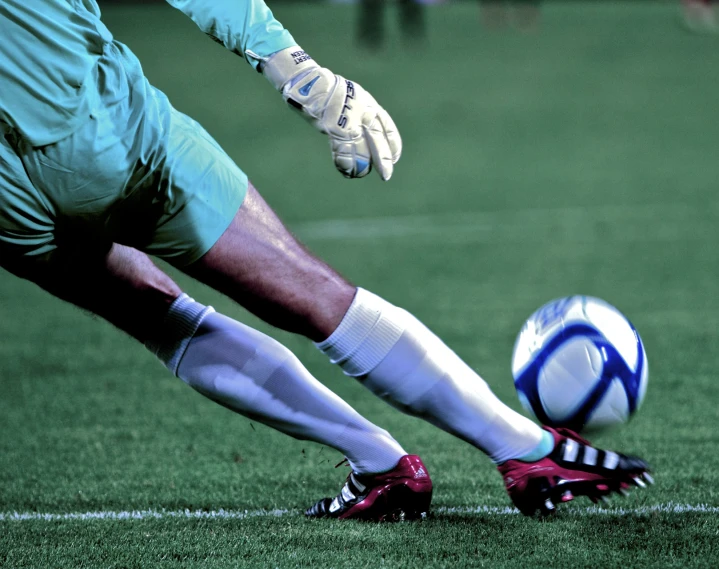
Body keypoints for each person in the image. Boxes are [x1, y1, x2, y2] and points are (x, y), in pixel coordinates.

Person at [0, 0, 652, 521]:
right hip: (98, 127)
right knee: (310, 291)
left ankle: (380, 463)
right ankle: (529, 449)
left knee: (154, 318)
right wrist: (300, 74)